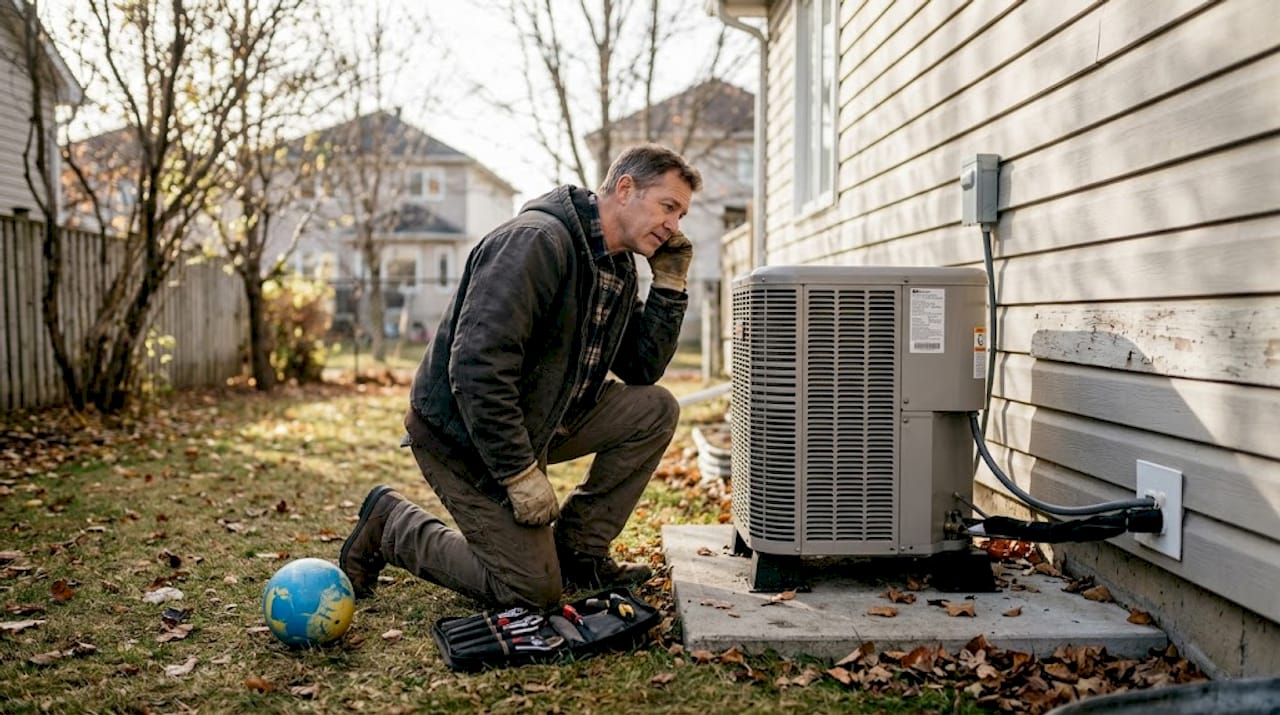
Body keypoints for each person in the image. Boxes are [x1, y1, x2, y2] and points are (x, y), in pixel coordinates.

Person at [340, 143, 702, 610]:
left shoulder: (617, 265)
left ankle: (579, 552)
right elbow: (475, 369)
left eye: (682, 215)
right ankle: (390, 525)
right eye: (668, 207)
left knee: (654, 409)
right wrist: (517, 472)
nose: (674, 226)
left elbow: (641, 369)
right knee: (529, 590)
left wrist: (669, 287)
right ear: (626, 189)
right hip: (465, 437)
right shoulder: (536, 242)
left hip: (543, 420)